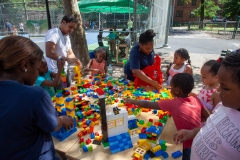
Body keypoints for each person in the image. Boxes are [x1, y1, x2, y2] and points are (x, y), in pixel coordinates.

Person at [0, 36, 73, 159]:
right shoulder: (35, 95)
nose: (37, 73)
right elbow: (53, 125)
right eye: (36, 67)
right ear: (25, 66)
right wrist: (61, 119)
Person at [125, 73, 210, 160]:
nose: (170, 89)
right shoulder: (195, 99)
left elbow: (147, 104)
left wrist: (131, 101)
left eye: (171, 87)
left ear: (177, 90)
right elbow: (208, 116)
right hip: (199, 138)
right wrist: (192, 121)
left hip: (186, 144)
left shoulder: (172, 103)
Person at [173, 52, 240, 160]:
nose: (218, 90)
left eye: (225, 88)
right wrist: (192, 132)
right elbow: (210, 127)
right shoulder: (222, 107)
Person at [45, 15, 82, 87]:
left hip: (64, 70)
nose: (71, 30)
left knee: (68, 92)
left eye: (73, 28)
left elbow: (70, 53)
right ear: (63, 22)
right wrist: (68, 59)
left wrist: (76, 61)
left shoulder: (66, 36)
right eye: (70, 27)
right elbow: (49, 53)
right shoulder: (53, 33)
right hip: (55, 72)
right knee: (61, 95)